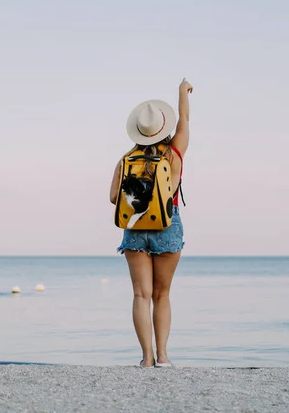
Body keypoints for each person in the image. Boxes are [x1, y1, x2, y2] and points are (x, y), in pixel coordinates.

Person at [109, 78, 193, 368]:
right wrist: (182, 91)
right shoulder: (174, 153)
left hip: (134, 228)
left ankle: (146, 359)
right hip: (168, 225)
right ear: (162, 127)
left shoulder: (126, 159)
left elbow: (112, 198)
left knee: (141, 295)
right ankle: (164, 358)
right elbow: (185, 119)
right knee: (162, 294)